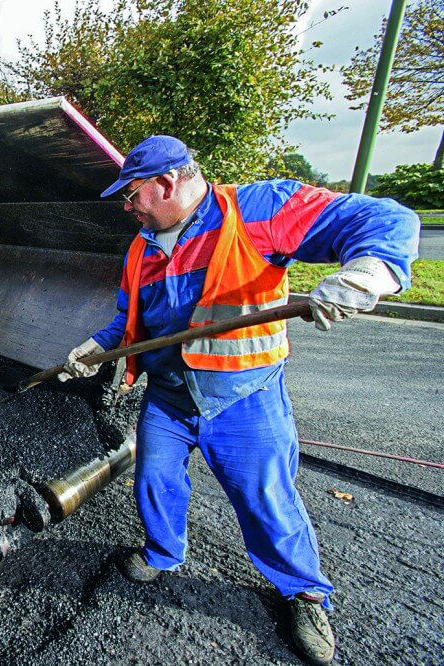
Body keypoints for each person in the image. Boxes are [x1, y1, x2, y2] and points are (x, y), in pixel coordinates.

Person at [58, 136, 419, 665]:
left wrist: (370, 272)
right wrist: (98, 346)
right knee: (155, 479)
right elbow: (130, 317)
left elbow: (387, 219)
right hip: (170, 395)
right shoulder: (142, 246)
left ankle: (305, 593)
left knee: (264, 496)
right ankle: (164, 553)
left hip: (243, 395)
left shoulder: (256, 211)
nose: (127, 206)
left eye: (132, 194)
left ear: (167, 182)